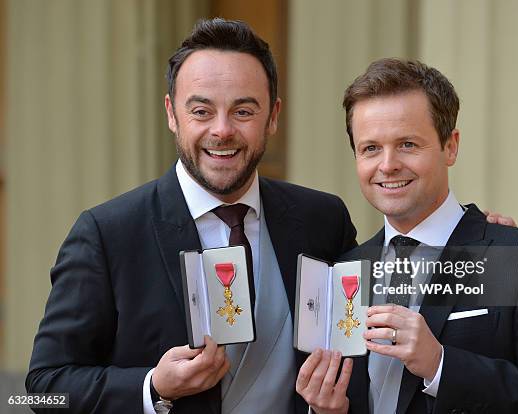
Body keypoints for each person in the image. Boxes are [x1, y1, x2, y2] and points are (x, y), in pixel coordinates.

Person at [26, 18, 358, 413]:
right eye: (201, 111)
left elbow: (356, 361)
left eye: (243, 111)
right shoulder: (106, 234)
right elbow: (42, 390)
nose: (222, 130)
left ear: (273, 116)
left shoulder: (323, 219)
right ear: (172, 114)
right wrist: (152, 388)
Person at [295, 59, 518, 413]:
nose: (388, 164)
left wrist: (440, 365)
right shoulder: (344, 269)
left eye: (407, 144)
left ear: (450, 146)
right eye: (371, 148)